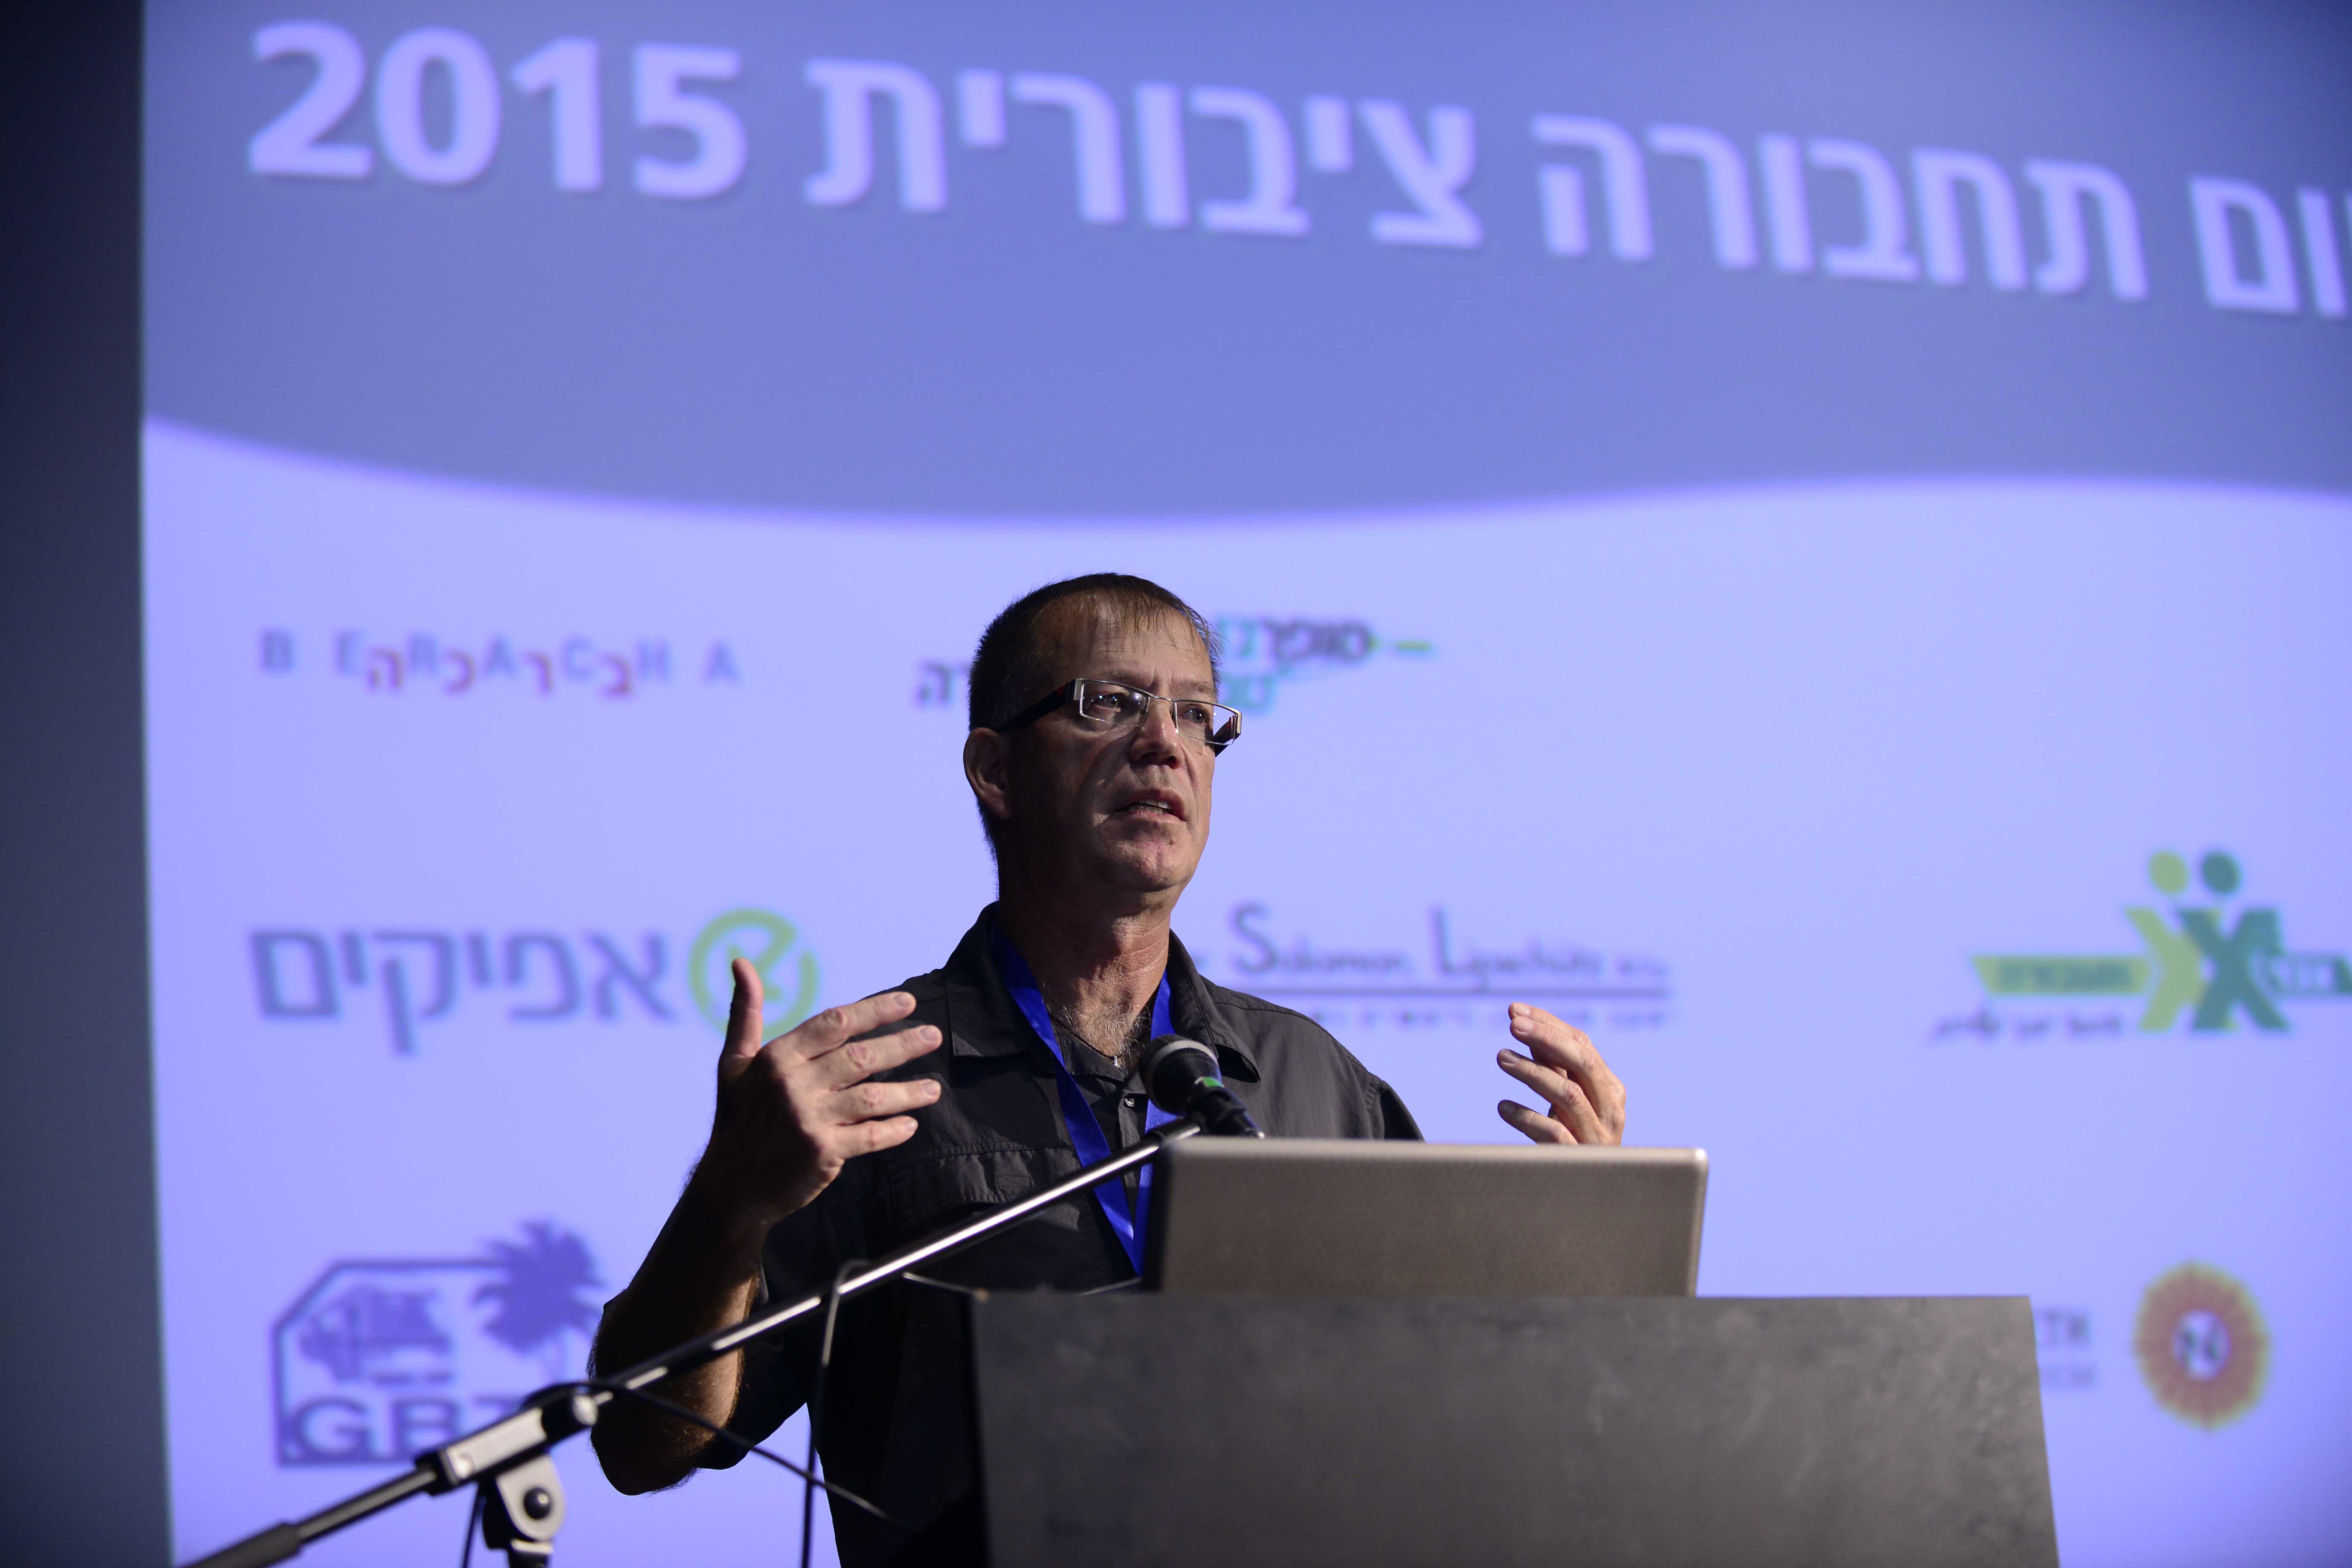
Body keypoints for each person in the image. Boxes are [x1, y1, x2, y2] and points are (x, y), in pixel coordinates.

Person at [589, 574, 1628, 1563]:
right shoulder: (871, 1088)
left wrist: (1583, 1255)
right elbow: (644, 1444)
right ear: (995, 770)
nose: (1164, 743)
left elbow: (1465, 1425)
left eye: (1196, 715)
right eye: (1109, 702)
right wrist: (726, 1206)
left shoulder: (1310, 1078)